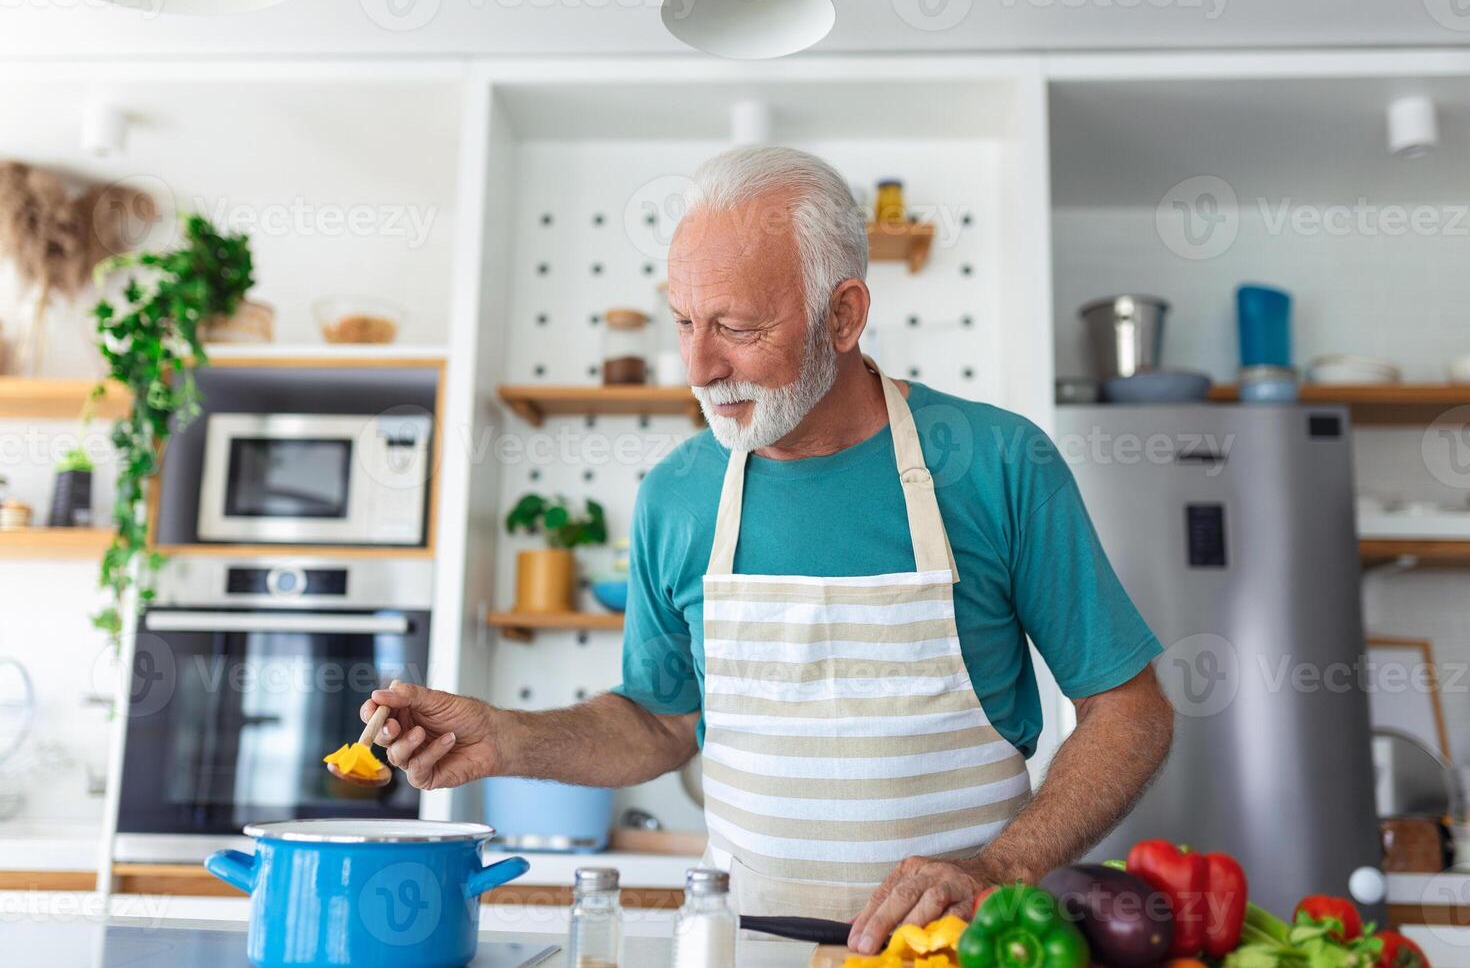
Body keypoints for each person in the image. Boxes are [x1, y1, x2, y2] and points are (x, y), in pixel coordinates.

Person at [358, 147, 1173, 955]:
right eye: (684, 322)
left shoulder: (996, 462)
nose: (701, 368)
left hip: (963, 947)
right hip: (741, 946)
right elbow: (658, 721)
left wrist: (1004, 863)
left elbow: (1128, 707)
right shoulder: (676, 495)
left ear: (845, 315)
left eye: (738, 328)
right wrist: (505, 738)